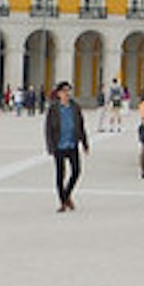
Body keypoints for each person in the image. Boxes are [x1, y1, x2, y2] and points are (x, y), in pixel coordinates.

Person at [44, 82, 89, 212]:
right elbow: (48, 129)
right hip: (59, 145)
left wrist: (85, 143)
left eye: (68, 91)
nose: (67, 94)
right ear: (59, 94)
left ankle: (67, 194)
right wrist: (50, 146)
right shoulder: (53, 109)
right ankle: (63, 202)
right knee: (60, 175)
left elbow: (81, 126)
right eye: (64, 91)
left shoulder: (75, 107)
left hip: (72, 143)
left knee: (76, 171)